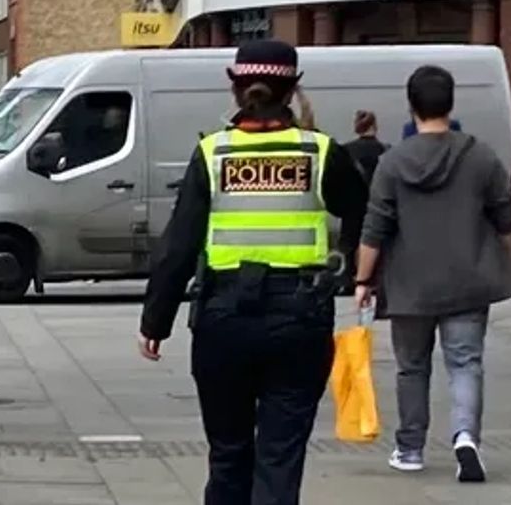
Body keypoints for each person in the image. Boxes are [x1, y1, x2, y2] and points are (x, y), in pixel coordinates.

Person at [138, 40, 367, 505]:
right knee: (279, 457)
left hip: (223, 321)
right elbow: (365, 214)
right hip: (300, 319)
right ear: (293, 88)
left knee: (228, 454)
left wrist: (154, 321)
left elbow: (178, 245)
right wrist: (348, 271)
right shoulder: (320, 152)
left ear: (236, 86)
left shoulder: (212, 153)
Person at [354, 65, 511, 483]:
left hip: (410, 286)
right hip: (468, 281)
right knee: (466, 363)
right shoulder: (480, 156)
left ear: (411, 106)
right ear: (450, 103)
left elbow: (374, 229)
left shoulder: (392, 163)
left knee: (412, 367)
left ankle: (410, 449)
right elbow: (507, 222)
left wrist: (362, 281)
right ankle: (466, 437)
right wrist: (506, 263)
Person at [338, 111, 388, 294]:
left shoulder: (345, 150)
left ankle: (349, 279)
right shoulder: (386, 150)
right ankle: (375, 279)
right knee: (377, 241)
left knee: (351, 243)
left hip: (352, 205)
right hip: (378, 203)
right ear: (375, 126)